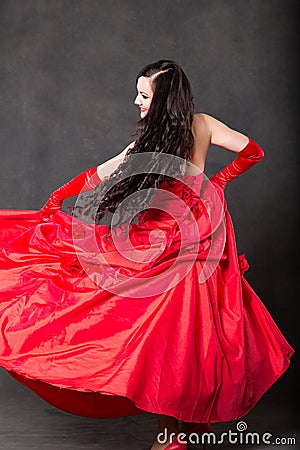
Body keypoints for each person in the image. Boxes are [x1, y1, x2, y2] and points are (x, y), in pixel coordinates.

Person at [0, 60, 295, 450]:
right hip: (196, 233)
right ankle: (179, 431)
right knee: (185, 330)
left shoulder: (149, 142)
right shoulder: (202, 124)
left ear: (164, 100)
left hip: (173, 241)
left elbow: (99, 174)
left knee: (171, 327)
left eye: (143, 95)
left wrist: (55, 199)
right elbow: (252, 152)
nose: (135, 101)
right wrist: (215, 184)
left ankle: (176, 433)